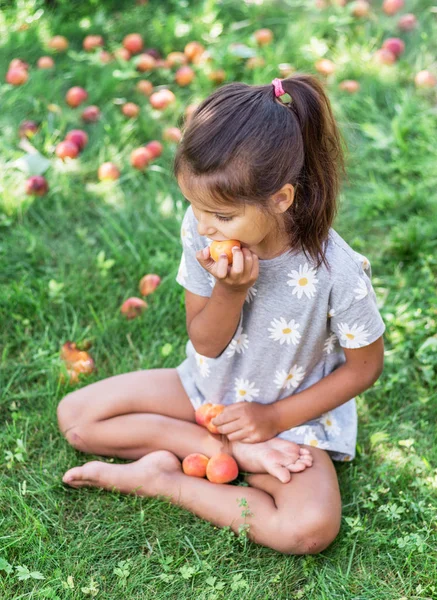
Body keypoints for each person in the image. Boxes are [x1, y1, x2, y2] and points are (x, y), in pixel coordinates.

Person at [57, 74, 385, 555]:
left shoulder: (337, 271)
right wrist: (230, 291)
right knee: (77, 418)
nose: (204, 225)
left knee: (308, 528)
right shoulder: (203, 228)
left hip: (290, 416)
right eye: (195, 207)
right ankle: (226, 453)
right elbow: (206, 343)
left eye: (222, 216)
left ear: (281, 198)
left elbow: (365, 367)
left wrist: (273, 418)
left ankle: (168, 481)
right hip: (207, 386)